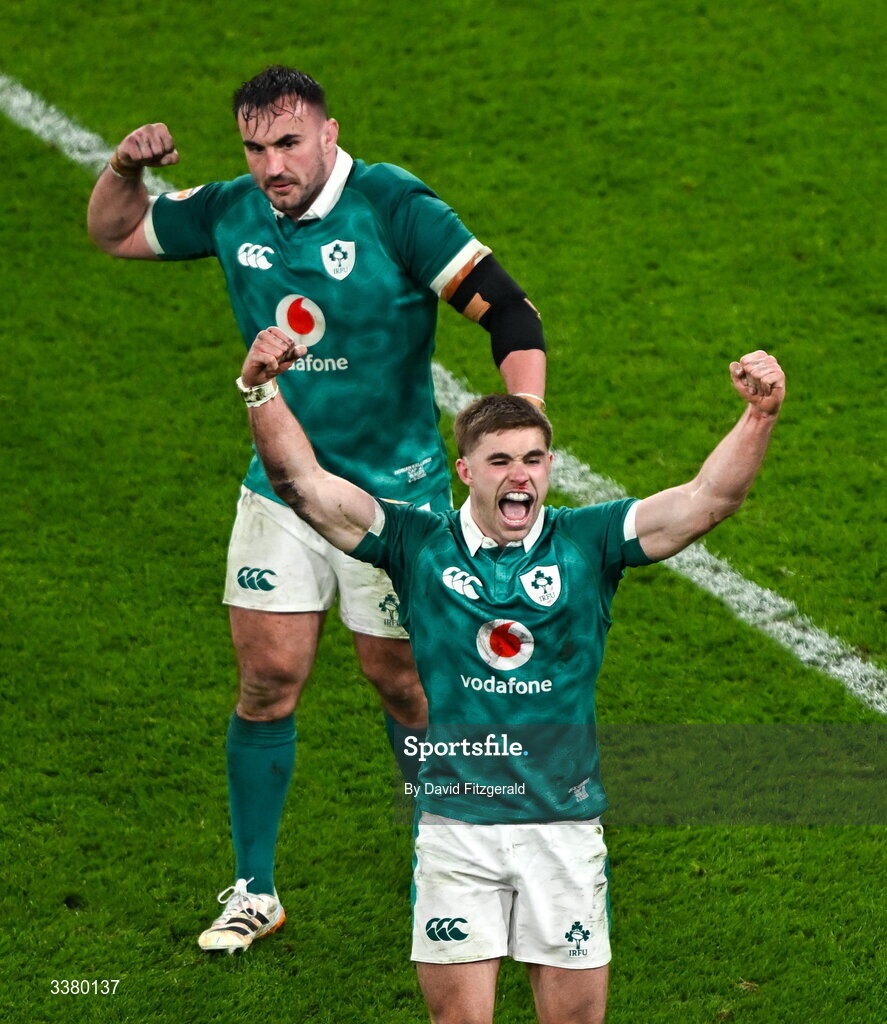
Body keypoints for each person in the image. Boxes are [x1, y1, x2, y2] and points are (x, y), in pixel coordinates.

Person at [86, 66, 547, 951]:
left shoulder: (395, 208)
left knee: (402, 681)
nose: (272, 165)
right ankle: (254, 889)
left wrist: (522, 431)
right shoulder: (231, 209)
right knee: (266, 680)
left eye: (289, 143)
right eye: (256, 147)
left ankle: (447, 858)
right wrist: (122, 171)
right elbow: (116, 234)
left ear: (329, 135)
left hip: (394, 499)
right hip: (284, 487)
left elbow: (513, 317)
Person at [235, 328, 784, 1024]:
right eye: (499, 461)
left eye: (532, 458)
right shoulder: (415, 541)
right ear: (465, 471)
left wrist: (759, 414)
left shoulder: (590, 541)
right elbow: (303, 486)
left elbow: (709, 499)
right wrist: (259, 388)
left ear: (550, 464)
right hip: (456, 830)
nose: (519, 475)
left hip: (563, 827)